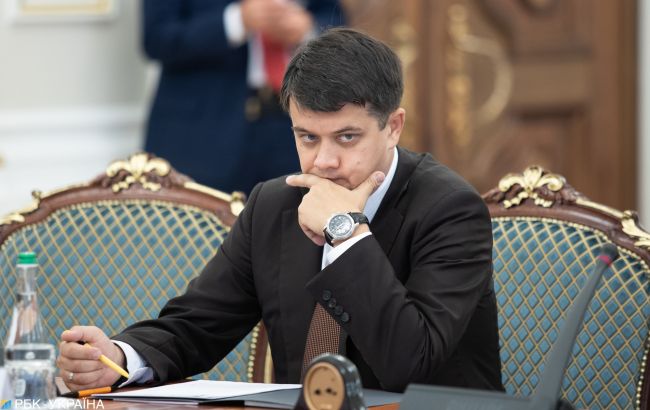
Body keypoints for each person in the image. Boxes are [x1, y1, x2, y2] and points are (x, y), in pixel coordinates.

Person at [57, 28, 504, 393]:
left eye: (347, 137)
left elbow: (409, 362)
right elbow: (196, 325)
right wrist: (118, 357)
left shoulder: (450, 210)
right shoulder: (274, 205)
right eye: (307, 137)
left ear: (393, 127)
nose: (324, 162)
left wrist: (345, 232)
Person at [142, 0, 346, 194]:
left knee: (292, 213)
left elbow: (334, 17)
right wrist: (238, 21)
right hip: (204, 130)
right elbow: (156, 36)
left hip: (292, 122)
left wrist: (310, 30)